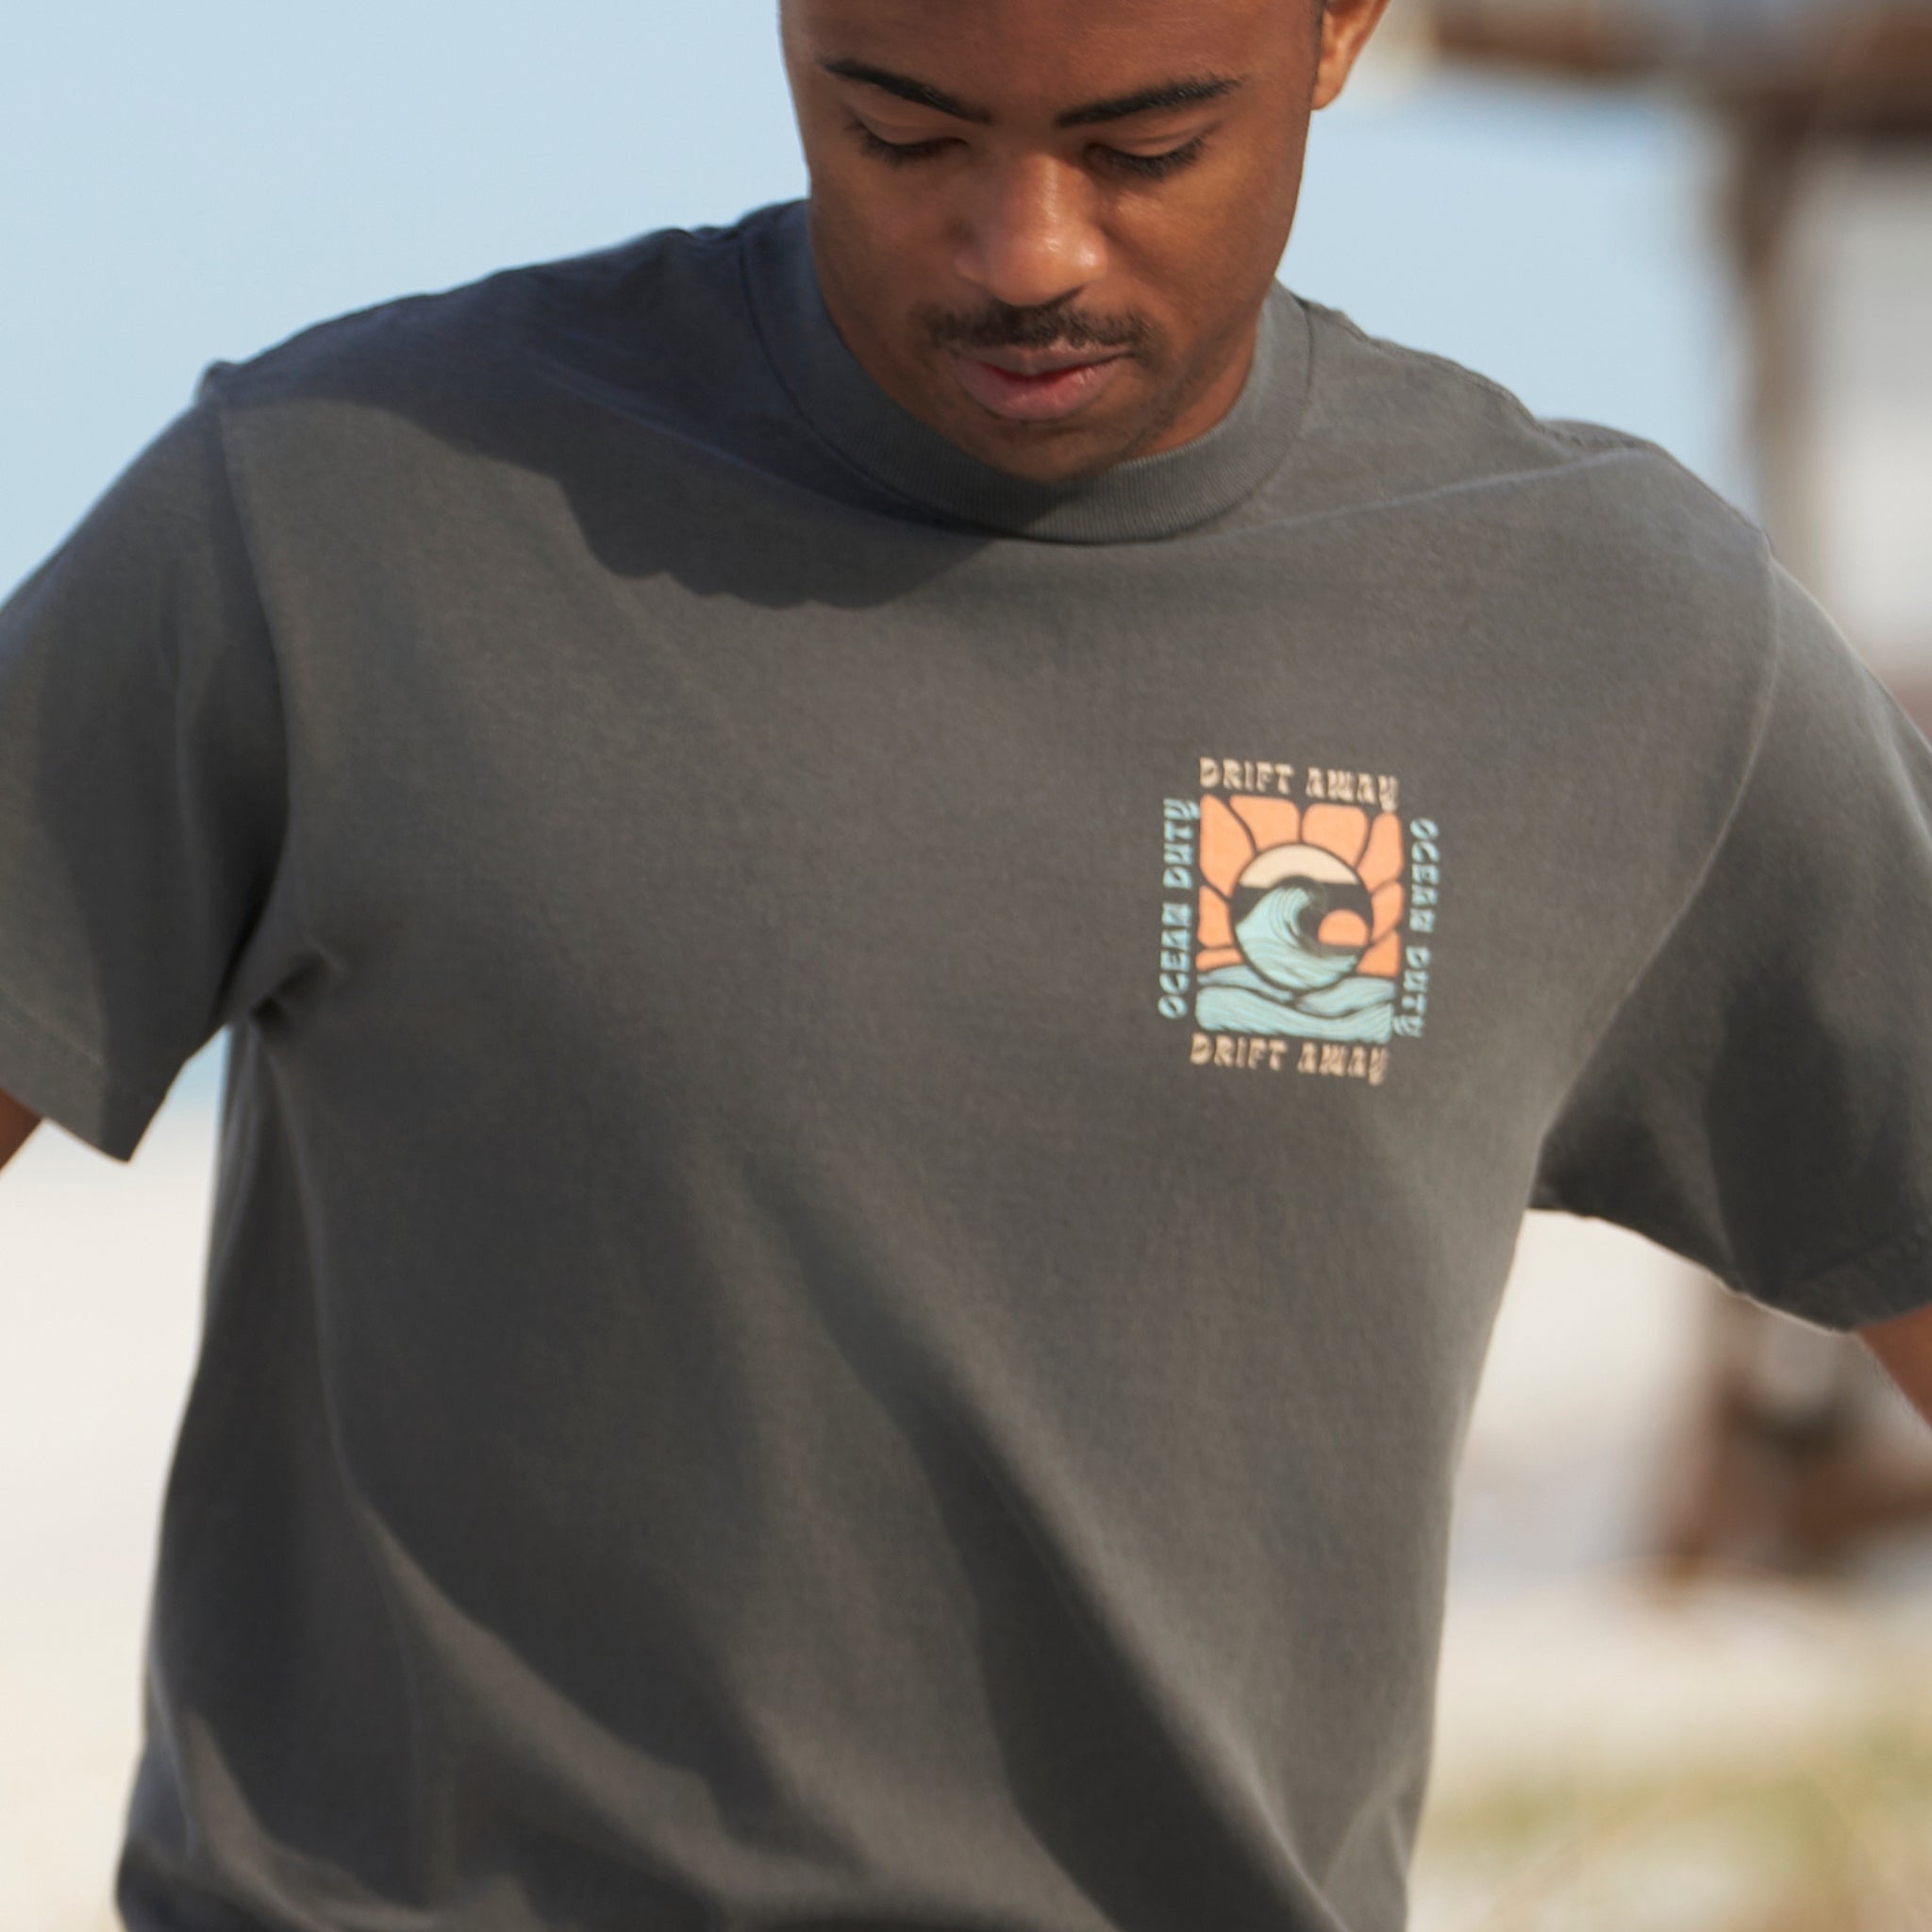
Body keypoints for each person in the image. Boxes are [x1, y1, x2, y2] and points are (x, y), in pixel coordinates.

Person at [4, 0, 1931, 1926]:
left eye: (1143, 147)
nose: (1025, 252)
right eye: (900, 134)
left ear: (1341, 26)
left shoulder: (1608, 645)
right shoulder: (341, 516)